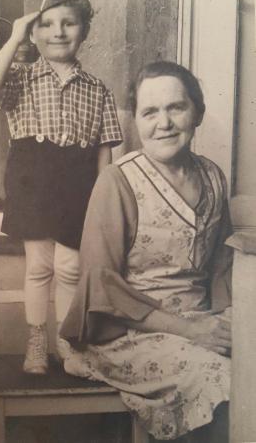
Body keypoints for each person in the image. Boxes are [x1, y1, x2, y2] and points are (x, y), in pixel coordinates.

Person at [60, 61, 232, 442]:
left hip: (198, 321)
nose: (164, 123)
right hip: (128, 333)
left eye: (176, 108)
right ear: (135, 121)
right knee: (225, 383)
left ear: (198, 112)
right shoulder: (118, 182)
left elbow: (222, 267)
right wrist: (191, 330)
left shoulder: (214, 177)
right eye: (150, 112)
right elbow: (101, 288)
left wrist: (229, 325)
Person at [0, 0, 122, 375]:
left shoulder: (98, 90)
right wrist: (14, 37)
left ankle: (67, 344)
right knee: (39, 266)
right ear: (34, 32)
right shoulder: (21, 77)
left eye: (69, 23)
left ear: (85, 31)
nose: (58, 32)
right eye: (46, 23)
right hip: (33, 184)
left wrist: (101, 203)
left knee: (71, 269)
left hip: (78, 189)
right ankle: (37, 341)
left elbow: (104, 156)